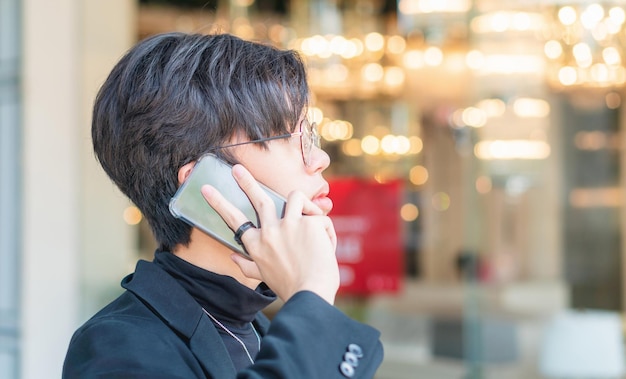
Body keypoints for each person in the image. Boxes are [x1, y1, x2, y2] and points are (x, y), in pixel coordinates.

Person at [62, 32, 383, 378]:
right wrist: (314, 297)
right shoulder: (118, 347)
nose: (320, 158)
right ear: (207, 182)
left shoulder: (262, 331)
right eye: (293, 137)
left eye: (311, 135)